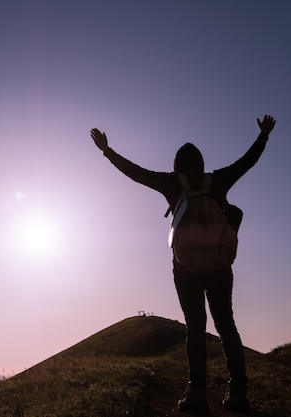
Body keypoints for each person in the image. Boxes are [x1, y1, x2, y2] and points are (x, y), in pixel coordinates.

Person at [90, 115, 276, 413]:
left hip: (186, 267)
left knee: (195, 325)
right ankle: (239, 392)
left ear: (176, 164)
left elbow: (136, 172)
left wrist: (107, 150)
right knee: (226, 324)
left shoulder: (171, 183)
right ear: (201, 163)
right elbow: (246, 162)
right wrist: (263, 135)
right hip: (219, 264)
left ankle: (197, 394)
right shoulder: (217, 179)